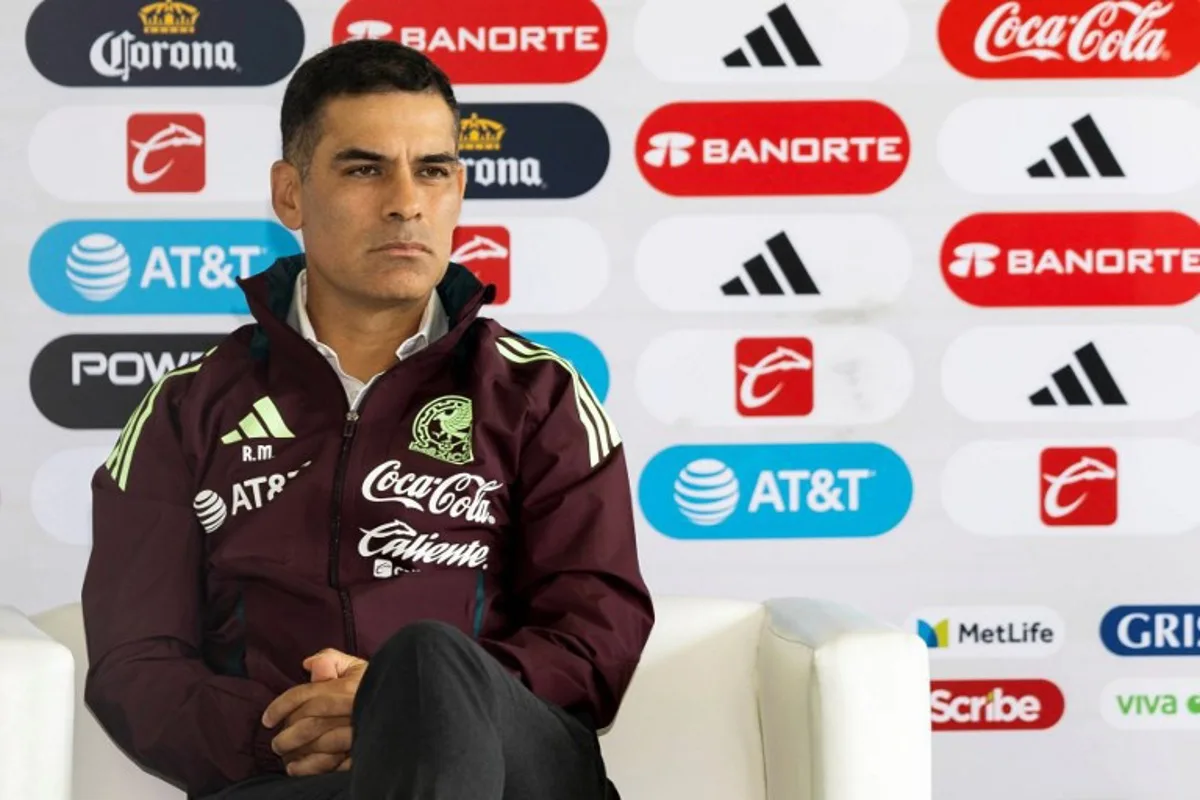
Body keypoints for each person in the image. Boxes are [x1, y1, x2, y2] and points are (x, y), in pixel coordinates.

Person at [80, 39, 655, 800]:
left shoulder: (537, 394)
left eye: (434, 170)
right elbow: (135, 661)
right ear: (290, 195)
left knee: (426, 662)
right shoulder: (188, 408)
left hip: (516, 774)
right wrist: (282, 727)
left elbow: (594, 637)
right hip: (290, 773)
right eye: (364, 168)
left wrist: (412, 704)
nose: (406, 201)